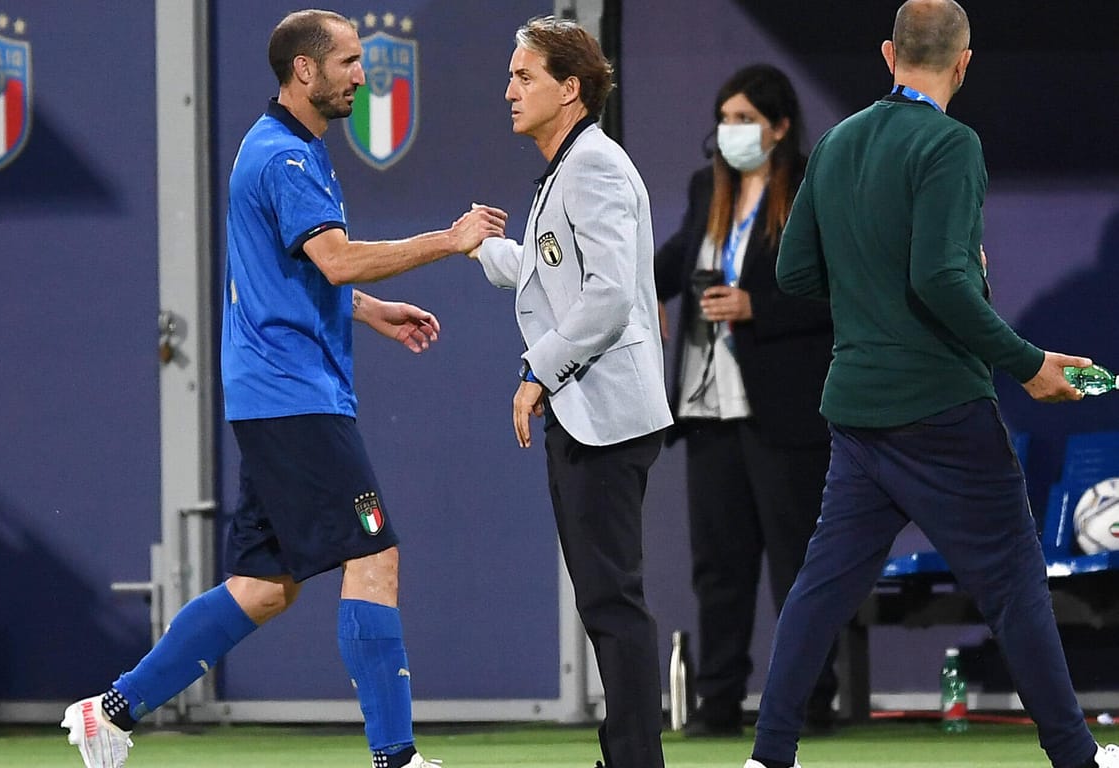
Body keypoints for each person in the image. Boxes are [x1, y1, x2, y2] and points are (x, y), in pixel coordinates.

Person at [61, 10, 505, 768]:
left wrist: (369, 312)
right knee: (375, 557)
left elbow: (291, 275)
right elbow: (334, 259)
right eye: (350, 63)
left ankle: (109, 713)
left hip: (277, 396)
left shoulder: (287, 148)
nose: (363, 76)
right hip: (295, 399)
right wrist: (449, 239)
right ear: (306, 72)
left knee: (265, 585)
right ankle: (396, 760)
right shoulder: (285, 159)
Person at [745, 2, 1119, 767]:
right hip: (942, 410)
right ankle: (1077, 758)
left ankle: (768, 755)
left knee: (820, 590)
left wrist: (872, 294)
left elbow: (793, 273)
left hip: (857, 413)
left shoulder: (839, 142)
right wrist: (1027, 363)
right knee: (1016, 584)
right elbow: (941, 278)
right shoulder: (952, 144)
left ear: (889, 54)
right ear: (964, 63)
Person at [472, 16, 671, 768]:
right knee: (604, 600)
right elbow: (553, 273)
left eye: (525, 77)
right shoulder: (569, 167)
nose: (509, 91)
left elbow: (610, 295)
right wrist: (480, 246)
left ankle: (634, 760)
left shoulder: (594, 166)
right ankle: (625, 755)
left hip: (605, 417)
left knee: (611, 602)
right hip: (589, 413)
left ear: (571, 87)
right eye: (511, 75)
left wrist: (535, 373)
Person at [653, 64, 836, 737]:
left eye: (745, 121)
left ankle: (811, 699)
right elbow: (675, 257)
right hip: (709, 409)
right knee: (719, 568)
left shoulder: (814, 186)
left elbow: (838, 288)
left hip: (784, 407)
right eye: (724, 120)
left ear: (780, 126)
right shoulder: (710, 187)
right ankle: (718, 703)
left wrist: (758, 305)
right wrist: (642, 296)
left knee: (797, 564)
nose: (731, 133)